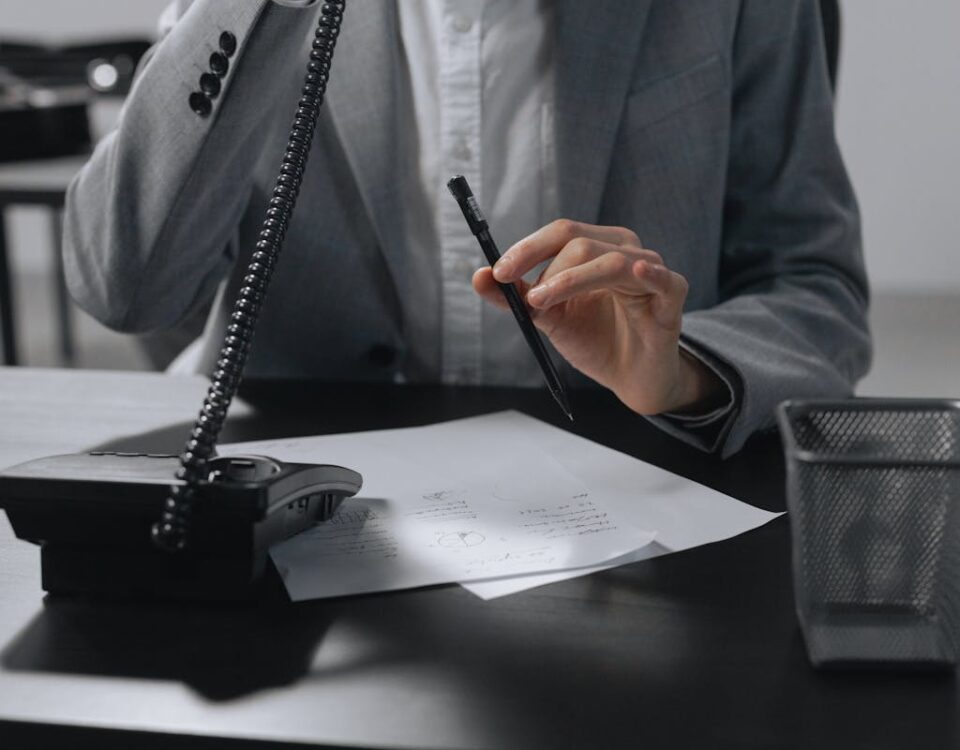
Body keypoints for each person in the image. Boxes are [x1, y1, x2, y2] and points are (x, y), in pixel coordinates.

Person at [63, 0, 871, 458]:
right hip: (302, 492)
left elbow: (817, 289)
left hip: (629, 497)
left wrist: (684, 374)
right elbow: (124, 288)